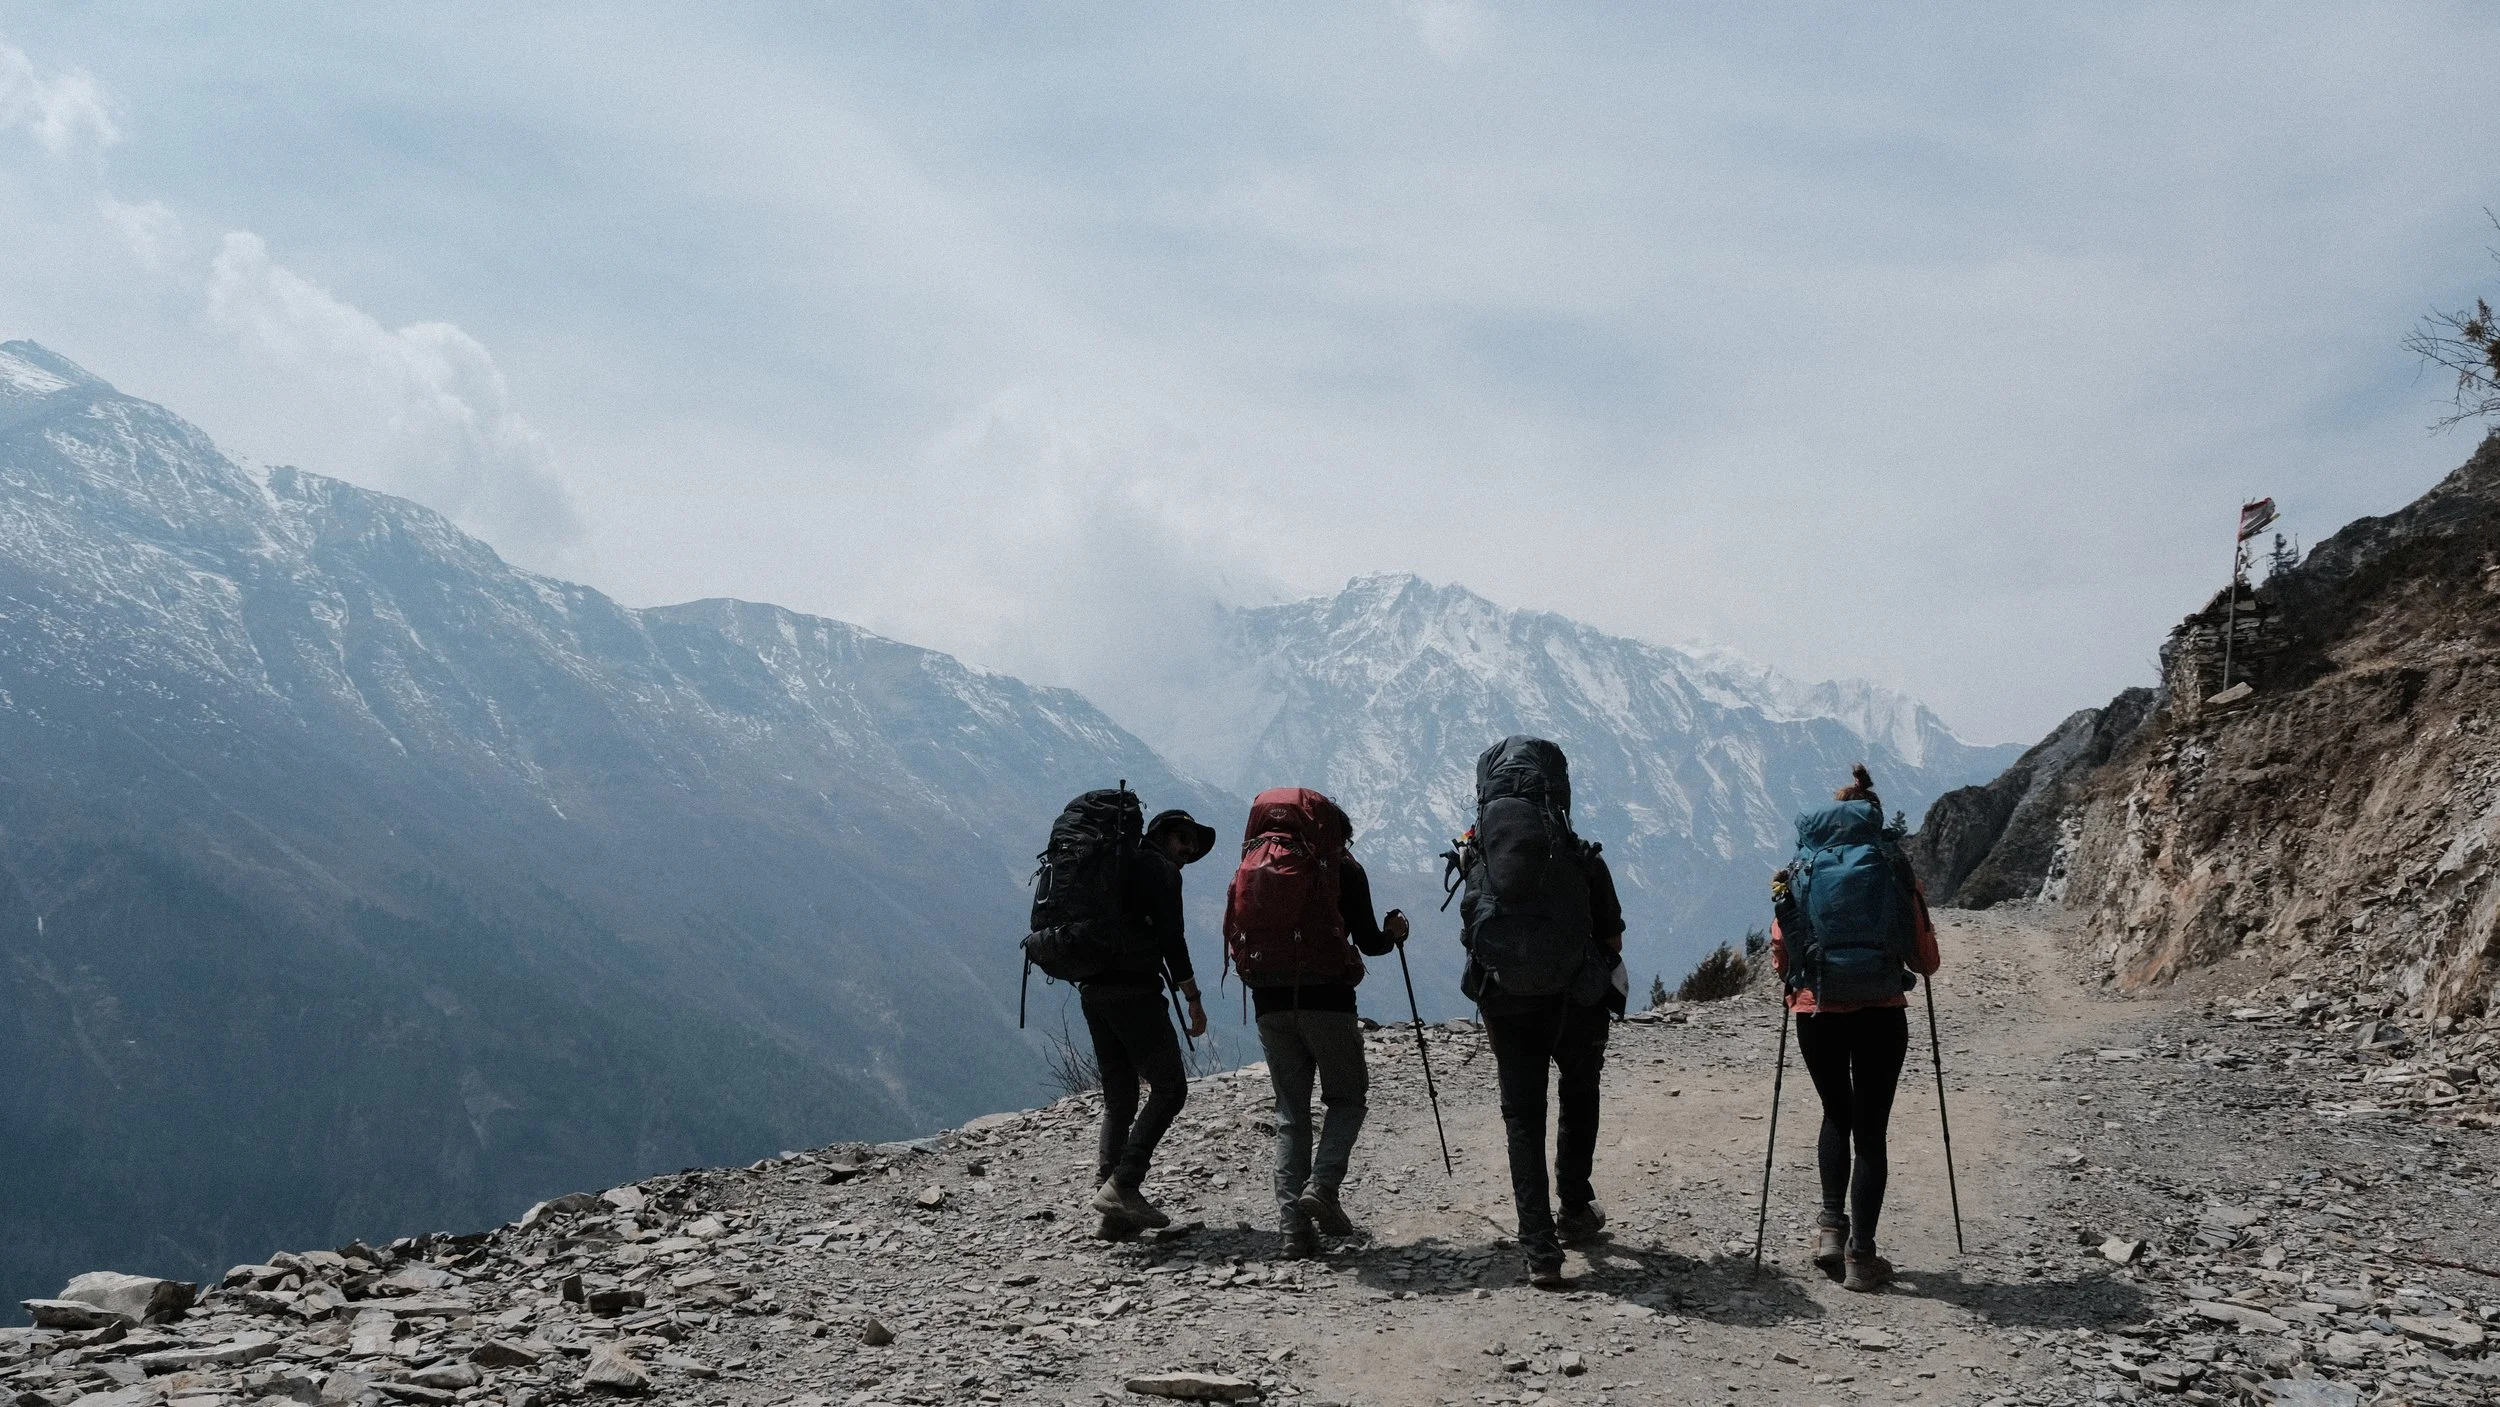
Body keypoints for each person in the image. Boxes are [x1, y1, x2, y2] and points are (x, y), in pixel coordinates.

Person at [1450, 736, 1626, 1289]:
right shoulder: (1578, 856)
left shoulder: (1480, 858)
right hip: (1574, 1001)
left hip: (1506, 1002)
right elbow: (1612, 938)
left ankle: (1539, 1250)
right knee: (1579, 1093)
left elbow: (1472, 930)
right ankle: (1574, 1206)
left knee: (1523, 1116)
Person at [1770, 763, 1942, 1293]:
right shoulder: (1893, 871)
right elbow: (1927, 961)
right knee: (1870, 1130)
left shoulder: (1801, 869)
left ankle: (1829, 1229)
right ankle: (1861, 1256)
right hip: (1881, 1013)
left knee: (1834, 1114)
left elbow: (1781, 953)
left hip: (1816, 1012)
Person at [1219, 788, 1410, 1259]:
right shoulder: (1341, 867)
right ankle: (1323, 1186)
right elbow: (1370, 943)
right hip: (1328, 1000)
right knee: (1346, 1098)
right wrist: (1393, 933)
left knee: (1291, 1114)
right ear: (1331, 831)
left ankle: (1294, 1233)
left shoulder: (1252, 863)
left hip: (1269, 1002)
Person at [1083, 807, 1216, 1238]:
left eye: (1193, 847)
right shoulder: (1162, 872)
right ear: (1160, 835)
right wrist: (1193, 999)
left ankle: (1112, 1214)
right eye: (1183, 839)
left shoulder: (1117, 866)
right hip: (1135, 992)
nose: (1188, 851)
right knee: (1171, 1088)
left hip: (1093, 989)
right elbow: (1173, 942)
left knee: (1120, 1098)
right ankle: (1124, 1184)